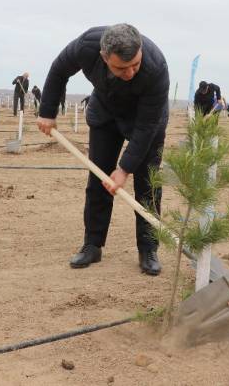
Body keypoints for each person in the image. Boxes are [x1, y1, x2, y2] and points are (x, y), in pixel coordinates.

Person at [37, 24, 169, 276]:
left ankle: (148, 249)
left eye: (135, 65)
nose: (130, 72)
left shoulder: (156, 66)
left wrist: (124, 169)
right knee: (98, 179)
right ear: (104, 57)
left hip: (145, 122)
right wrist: (47, 112)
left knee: (148, 184)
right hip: (106, 115)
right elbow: (58, 70)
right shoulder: (86, 46)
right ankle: (93, 244)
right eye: (121, 67)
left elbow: (147, 126)